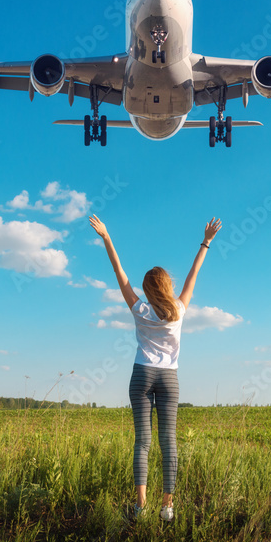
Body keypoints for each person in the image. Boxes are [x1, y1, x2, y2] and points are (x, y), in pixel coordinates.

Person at [88, 214, 222, 522]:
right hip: (169, 378)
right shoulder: (178, 310)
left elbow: (119, 274)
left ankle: (140, 506)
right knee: (169, 441)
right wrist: (206, 242)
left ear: (148, 289)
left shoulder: (139, 308)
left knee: (143, 442)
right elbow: (193, 275)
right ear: (167, 285)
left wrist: (107, 237)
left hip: (141, 374)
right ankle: (167, 508)